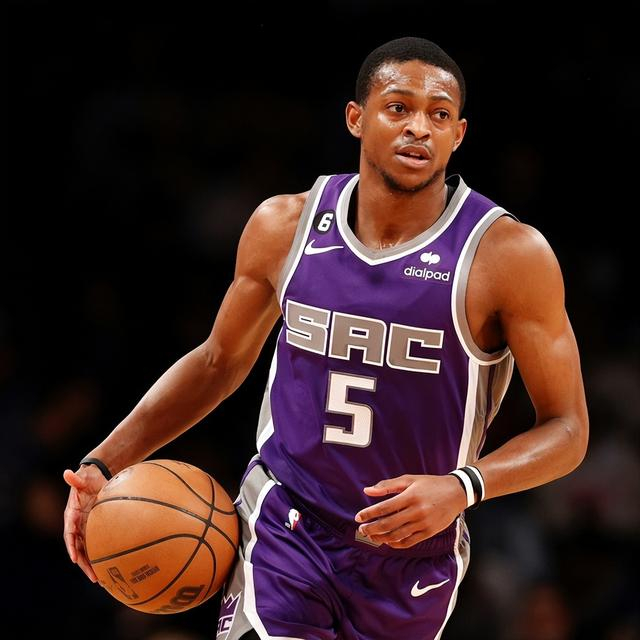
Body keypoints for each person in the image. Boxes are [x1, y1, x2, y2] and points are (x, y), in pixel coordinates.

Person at [63, 36, 589, 640]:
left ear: (459, 134)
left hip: (412, 555)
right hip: (287, 526)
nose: (419, 127)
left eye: (439, 115)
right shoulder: (284, 225)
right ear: (356, 118)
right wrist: (103, 461)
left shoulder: (508, 255)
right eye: (399, 107)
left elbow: (568, 430)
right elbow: (216, 363)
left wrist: (462, 487)